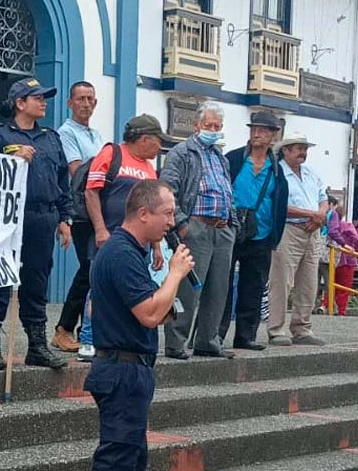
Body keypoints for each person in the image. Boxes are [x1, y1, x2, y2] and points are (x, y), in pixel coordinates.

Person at [84, 179, 189, 471]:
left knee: (133, 458)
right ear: (143, 213)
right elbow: (147, 314)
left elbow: (105, 308)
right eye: (167, 213)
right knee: (117, 460)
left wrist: (164, 300)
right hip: (121, 369)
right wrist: (175, 275)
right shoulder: (121, 253)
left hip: (131, 368)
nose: (172, 222)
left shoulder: (131, 252)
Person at [0, 77, 72, 371]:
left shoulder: (51, 138)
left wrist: (65, 217)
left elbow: (61, 181)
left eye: (44, 97)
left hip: (42, 217)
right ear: (20, 103)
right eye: (37, 97)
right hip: (6, 218)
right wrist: (11, 157)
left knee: (37, 281)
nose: (43, 102)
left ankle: (38, 345)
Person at [82, 115, 166, 362]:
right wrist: (99, 229)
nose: (159, 148)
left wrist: (157, 247)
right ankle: (88, 338)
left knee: (133, 289)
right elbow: (91, 191)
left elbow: (154, 210)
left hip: (140, 245)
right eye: (157, 141)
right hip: (110, 236)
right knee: (97, 289)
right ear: (144, 139)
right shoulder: (112, 153)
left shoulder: (150, 168)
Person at [161, 102, 236, 360]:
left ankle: (207, 340)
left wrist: (232, 224)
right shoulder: (182, 152)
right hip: (196, 226)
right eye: (208, 126)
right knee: (188, 287)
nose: (213, 130)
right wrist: (182, 223)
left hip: (222, 229)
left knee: (218, 289)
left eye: (217, 126)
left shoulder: (221, 158)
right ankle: (175, 342)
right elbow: (167, 189)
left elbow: (228, 192)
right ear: (196, 126)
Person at [219, 112, 288, 350]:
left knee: (254, 287)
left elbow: (279, 203)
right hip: (231, 230)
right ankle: (215, 334)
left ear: (273, 136)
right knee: (222, 285)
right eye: (253, 129)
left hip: (261, 234)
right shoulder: (234, 159)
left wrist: (274, 238)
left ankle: (245, 336)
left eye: (262, 130)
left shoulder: (277, 169)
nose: (256, 134)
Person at [51, 81, 103, 354]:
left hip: (98, 210)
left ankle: (83, 330)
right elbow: (76, 171)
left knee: (92, 272)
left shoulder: (95, 134)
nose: (86, 103)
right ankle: (64, 328)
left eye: (90, 98)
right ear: (70, 103)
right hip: (81, 212)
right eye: (80, 98)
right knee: (87, 271)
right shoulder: (66, 133)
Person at [267, 133, 328, 346]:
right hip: (288, 229)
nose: (303, 152)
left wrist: (319, 216)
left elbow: (323, 198)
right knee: (281, 281)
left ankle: (302, 328)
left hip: (312, 231)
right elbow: (278, 205)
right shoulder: (277, 173)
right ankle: (276, 329)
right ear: (286, 150)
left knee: (309, 282)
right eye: (298, 148)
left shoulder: (311, 173)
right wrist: (313, 215)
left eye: (304, 148)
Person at [321, 206, 358, 315]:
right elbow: (357, 240)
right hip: (347, 260)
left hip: (332, 259)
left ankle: (326, 305)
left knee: (330, 284)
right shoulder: (348, 226)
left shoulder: (327, 226)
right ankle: (341, 311)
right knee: (344, 288)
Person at [314, 196, 340, 313]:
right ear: (331, 204)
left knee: (314, 281)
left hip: (315, 250)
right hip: (326, 252)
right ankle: (332, 307)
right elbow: (333, 231)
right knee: (329, 280)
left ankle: (311, 306)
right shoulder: (332, 214)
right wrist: (343, 243)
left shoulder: (316, 213)